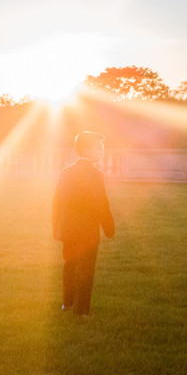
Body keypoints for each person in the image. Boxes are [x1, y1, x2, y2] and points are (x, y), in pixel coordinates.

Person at [52, 131, 115, 317]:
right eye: (99, 148)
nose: (102, 151)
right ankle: (81, 311)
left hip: (68, 229)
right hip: (87, 231)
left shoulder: (66, 172)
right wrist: (109, 228)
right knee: (86, 270)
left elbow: (57, 202)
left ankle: (68, 303)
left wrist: (57, 227)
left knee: (69, 266)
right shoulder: (96, 174)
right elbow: (100, 203)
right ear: (86, 149)